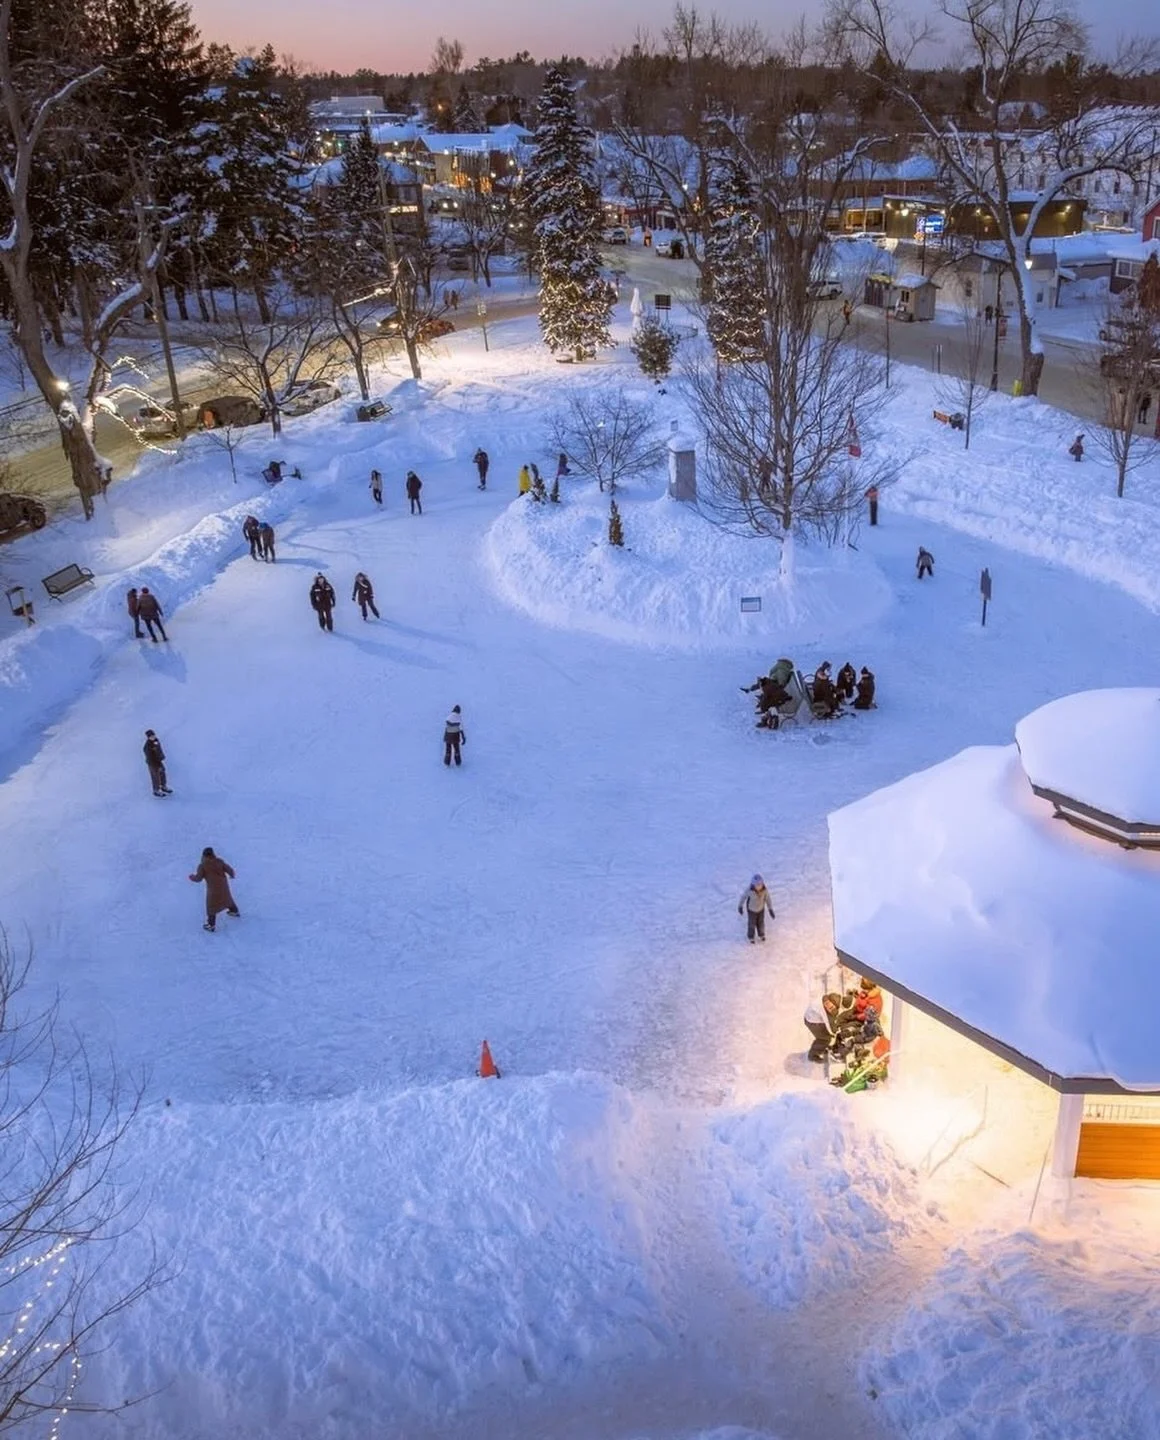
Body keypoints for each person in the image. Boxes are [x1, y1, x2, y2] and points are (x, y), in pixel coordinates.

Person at [188, 846, 239, 932]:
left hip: (213, 889)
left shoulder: (202, 866)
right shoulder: (219, 861)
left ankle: (211, 925)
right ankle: (234, 911)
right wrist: (232, 875)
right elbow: (229, 869)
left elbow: (198, 878)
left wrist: (192, 877)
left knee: (211, 906)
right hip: (223, 886)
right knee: (227, 898)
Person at [738, 875, 775, 943]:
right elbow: (743, 897)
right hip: (751, 910)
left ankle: (761, 934)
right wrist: (740, 906)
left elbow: (768, 899)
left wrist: (770, 909)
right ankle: (751, 936)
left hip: (761, 909)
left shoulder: (764, 890)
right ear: (753, 885)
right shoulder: (749, 890)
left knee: (761, 923)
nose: (759, 887)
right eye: (757, 885)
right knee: (751, 923)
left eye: (760, 885)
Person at [804, 994, 841, 1062]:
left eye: (832, 1007)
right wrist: (835, 1032)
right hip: (812, 1022)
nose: (828, 1007)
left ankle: (822, 1047)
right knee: (824, 1039)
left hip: (812, 1017)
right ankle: (813, 1055)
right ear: (828, 1000)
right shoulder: (823, 1011)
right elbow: (830, 1028)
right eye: (830, 1007)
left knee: (826, 1037)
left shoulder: (826, 999)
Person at [143, 728, 171, 796]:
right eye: (151, 736)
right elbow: (150, 756)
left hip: (158, 760)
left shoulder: (156, 740)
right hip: (152, 762)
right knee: (155, 775)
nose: (153, 737)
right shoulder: (147, 746)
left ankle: (163, 786)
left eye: (153, 735)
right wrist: (156, 764)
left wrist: (161, 757)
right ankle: (156, 790)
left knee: (162, 772)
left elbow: (159, 750)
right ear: (148, 737)